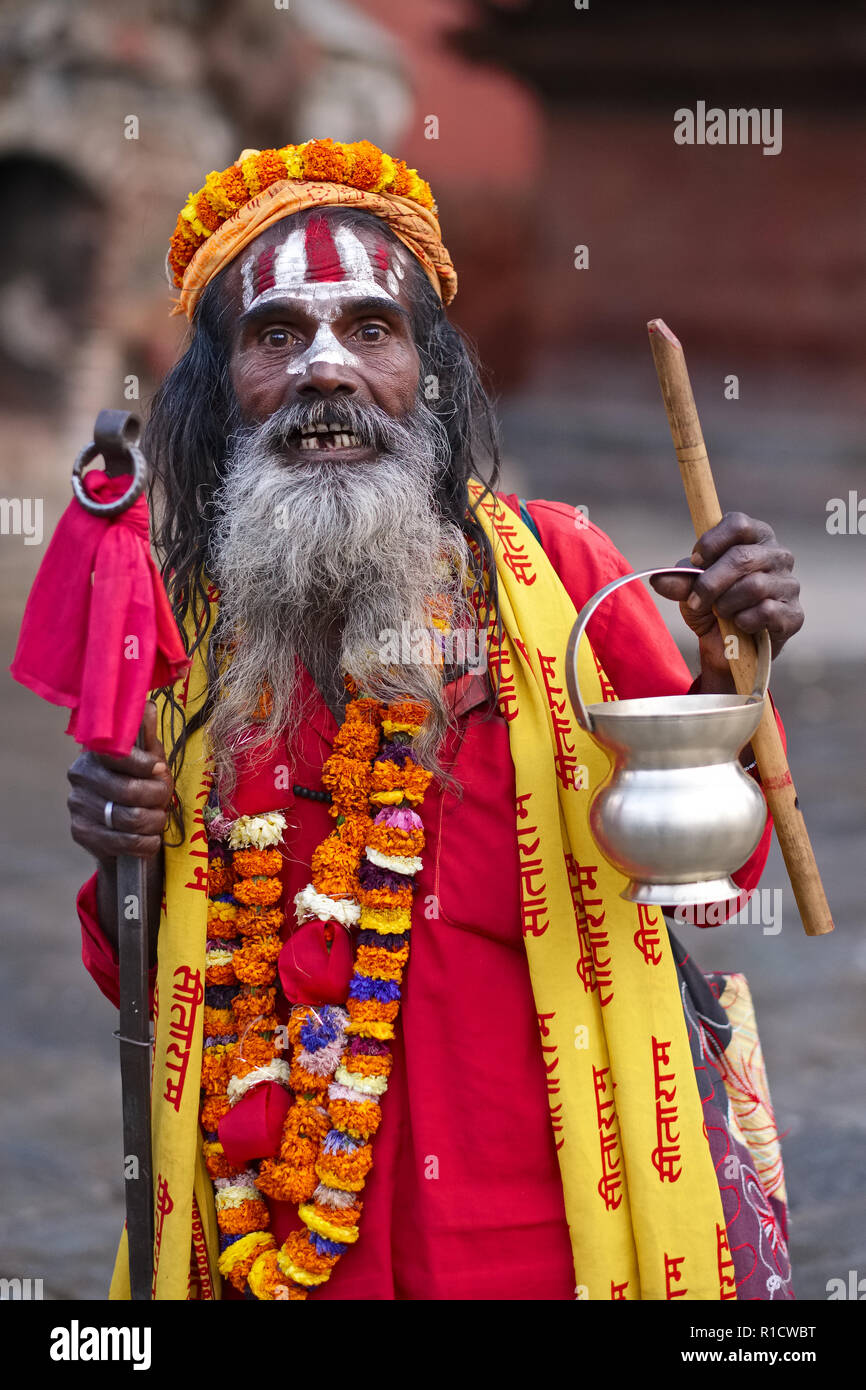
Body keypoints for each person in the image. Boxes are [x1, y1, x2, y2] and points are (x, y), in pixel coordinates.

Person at [68, 139, 803, 1302]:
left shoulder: (562, 574)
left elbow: (713, 877)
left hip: (553, 1237)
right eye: (275, 336)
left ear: (426, 376)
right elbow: (139, 981)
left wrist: (730, 673)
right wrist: (121, 846)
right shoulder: (183, 635)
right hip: (284, 1244)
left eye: (370, 329)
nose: (326, 372)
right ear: (222, 384)